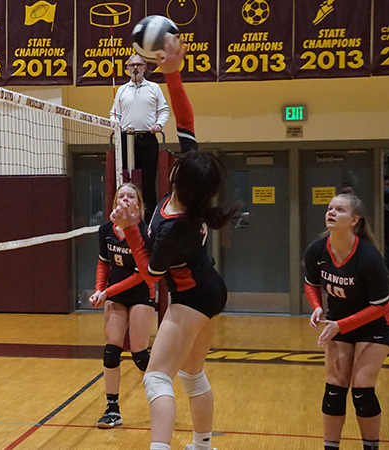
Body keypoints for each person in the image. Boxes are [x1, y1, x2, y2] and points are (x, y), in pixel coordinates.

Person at [110, 35, 237, 450]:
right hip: (209, 288)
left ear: (179, 177)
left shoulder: (173, 228)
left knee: (157, 377)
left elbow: (150, 274)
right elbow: (185, 120)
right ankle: (202, 445)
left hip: (192, 296)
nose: (179, 159)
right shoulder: (191, 193)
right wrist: (173, 74)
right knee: (191, 374)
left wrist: (131, 228)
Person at [304, 194, 389, 450]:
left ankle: (371, 446)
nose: (331, 212)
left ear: (354, 220)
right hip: (339, 321)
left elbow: (380, 306)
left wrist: (340, 325)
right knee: (334, 387)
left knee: (362, 389)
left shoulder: (369, 257)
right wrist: (317, 307)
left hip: (374, 324)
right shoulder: (316, 250)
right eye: (330, 208)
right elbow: (311, 284)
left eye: (340, 210)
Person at [89, 182, 155, 429]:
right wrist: (99, 289)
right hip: (115, 295)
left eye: (131, 196)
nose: (125, 199)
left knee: (139, 354)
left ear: (138, 204)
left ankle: (159, 399)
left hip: (141, 294)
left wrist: (106, 292)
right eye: (121, 196)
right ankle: (112, 410)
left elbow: (139, 276)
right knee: (111, 350)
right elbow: (103, 263)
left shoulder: (144, 232)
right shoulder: (105, 230)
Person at [110, 53, 170, 218]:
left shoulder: (154, 88)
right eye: (132, 65)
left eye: (138, 65)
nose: (135, 68)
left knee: (148, 181)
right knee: (125, 180)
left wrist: (159, 124)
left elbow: (164, 110)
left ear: (144, 68)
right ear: (127, 69)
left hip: (148, 139)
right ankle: (124, 214)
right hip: (126, 139)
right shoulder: (121, 90)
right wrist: (116, 125)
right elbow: (114, 114)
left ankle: (149, 219)